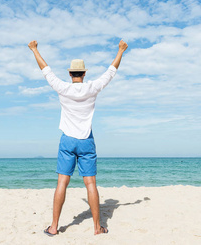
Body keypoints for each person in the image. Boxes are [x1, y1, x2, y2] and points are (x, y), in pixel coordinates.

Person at [28, 39, 128, 236]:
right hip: (86, 141)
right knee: (90, 183)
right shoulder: (92, 88)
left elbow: (45, 69)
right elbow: (111, 71)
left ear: (69, 73)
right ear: (84, 73)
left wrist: (34, 49)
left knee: (62, 183)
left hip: (67, 141)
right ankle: (97, 227)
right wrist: (121, 50)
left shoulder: (63, 88)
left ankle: (54, 227)